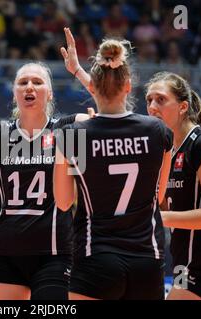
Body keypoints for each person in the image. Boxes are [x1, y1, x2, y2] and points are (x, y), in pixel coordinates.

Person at [0, 43, 90, 300]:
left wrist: (78, 73)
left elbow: (112, 113)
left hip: (54, 252)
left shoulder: (68, 128)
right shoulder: (0, 131)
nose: (29, 87)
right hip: (5, 252)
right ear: (14, 94)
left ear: (50, 94)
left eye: (38, 82)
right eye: (23, 83)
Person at [54, 28, 173, 300]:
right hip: (147, 258)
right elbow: (161, 194)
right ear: (129, 85)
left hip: (96, 256)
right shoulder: (157, 130)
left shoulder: (72, 136)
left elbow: (63, 202)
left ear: (92, 85)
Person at [145, 72, 201, 300]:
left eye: (161, 99)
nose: (152, 106)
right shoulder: (169, 149)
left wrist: (160, 217)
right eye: (149, 100)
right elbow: (163, 203)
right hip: (183, 265)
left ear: (183, 107)